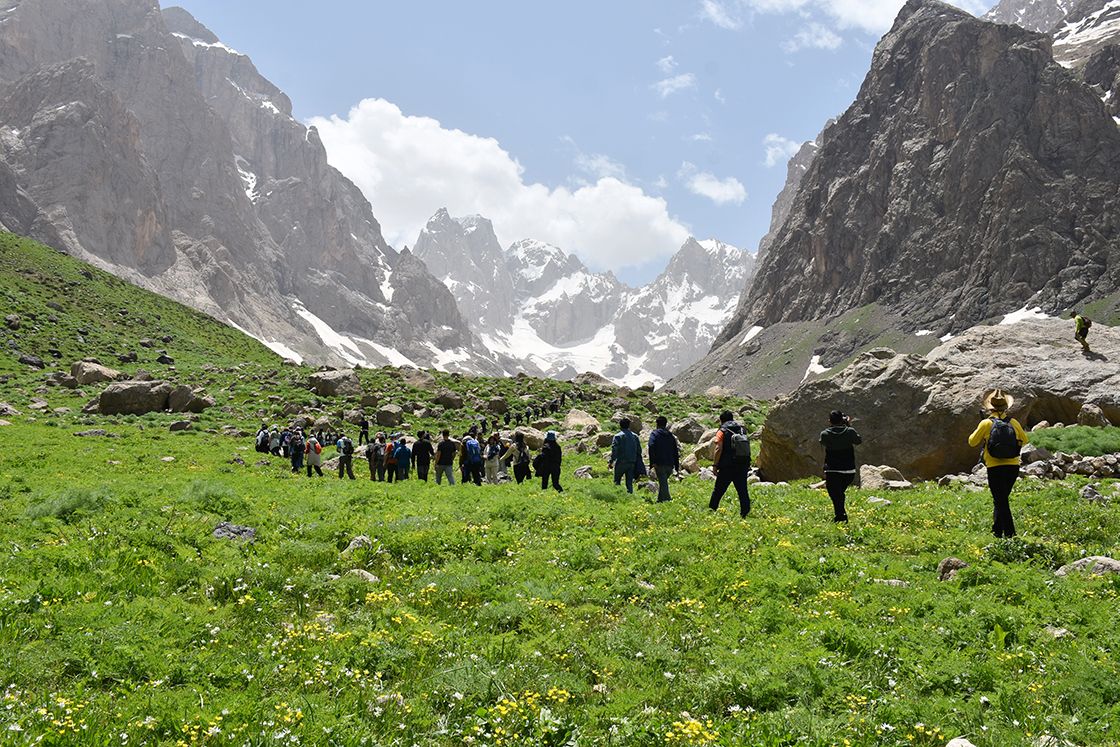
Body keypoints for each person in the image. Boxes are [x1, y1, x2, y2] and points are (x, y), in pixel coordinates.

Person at [968, 389, 1028, 538]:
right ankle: (996, 530)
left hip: (995, 467)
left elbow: (971, 442)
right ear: (1006, 406)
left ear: (991, 407)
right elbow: (1025, 440)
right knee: (1001, 499)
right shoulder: (1013, 422)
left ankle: (1010, 534)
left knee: (1001, 501)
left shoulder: (986, 423)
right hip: (1013, 466)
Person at [819, 411, 862, 522]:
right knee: (839, 494)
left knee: (836, 494)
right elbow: (858, 441)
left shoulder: (825, 434)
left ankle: (841, 517)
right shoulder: (850, 432)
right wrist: (848, 425)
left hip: (833, 470)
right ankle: (840, 516)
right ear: (843, 420)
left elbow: (823, 442)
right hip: (849, 471)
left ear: (829, 421)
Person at [709, 410, 751, 518]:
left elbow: (718, 448)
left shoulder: (722, 430)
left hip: (727, 466)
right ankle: (745, 513)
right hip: (742, 465)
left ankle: (711, 510)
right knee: (742, 491)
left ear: (721, 420)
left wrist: (715, 465)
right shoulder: (742, 429)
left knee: (718, 491)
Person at [648, 416, 680, 503]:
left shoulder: (654, 434)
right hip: (670, 463)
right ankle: (660, 500)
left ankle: (667, 500)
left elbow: (651, 446)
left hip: (659, 463)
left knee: (663, 482)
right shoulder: (670, 435)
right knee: (663, 482)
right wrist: (677, 466)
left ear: (657, 424)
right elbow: (675, 451)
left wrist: (653, 462)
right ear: (666, 424)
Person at [609, 418, 642, 494]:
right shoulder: (635, 436)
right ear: (629, 425)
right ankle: (630, 496)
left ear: (620, 426)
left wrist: (611, 461)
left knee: (617, 481)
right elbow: (639, 450)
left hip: (621, 462)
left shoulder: (618, 436)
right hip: (632, 462)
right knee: (629, 482)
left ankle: (617, 495)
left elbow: (615, 450)